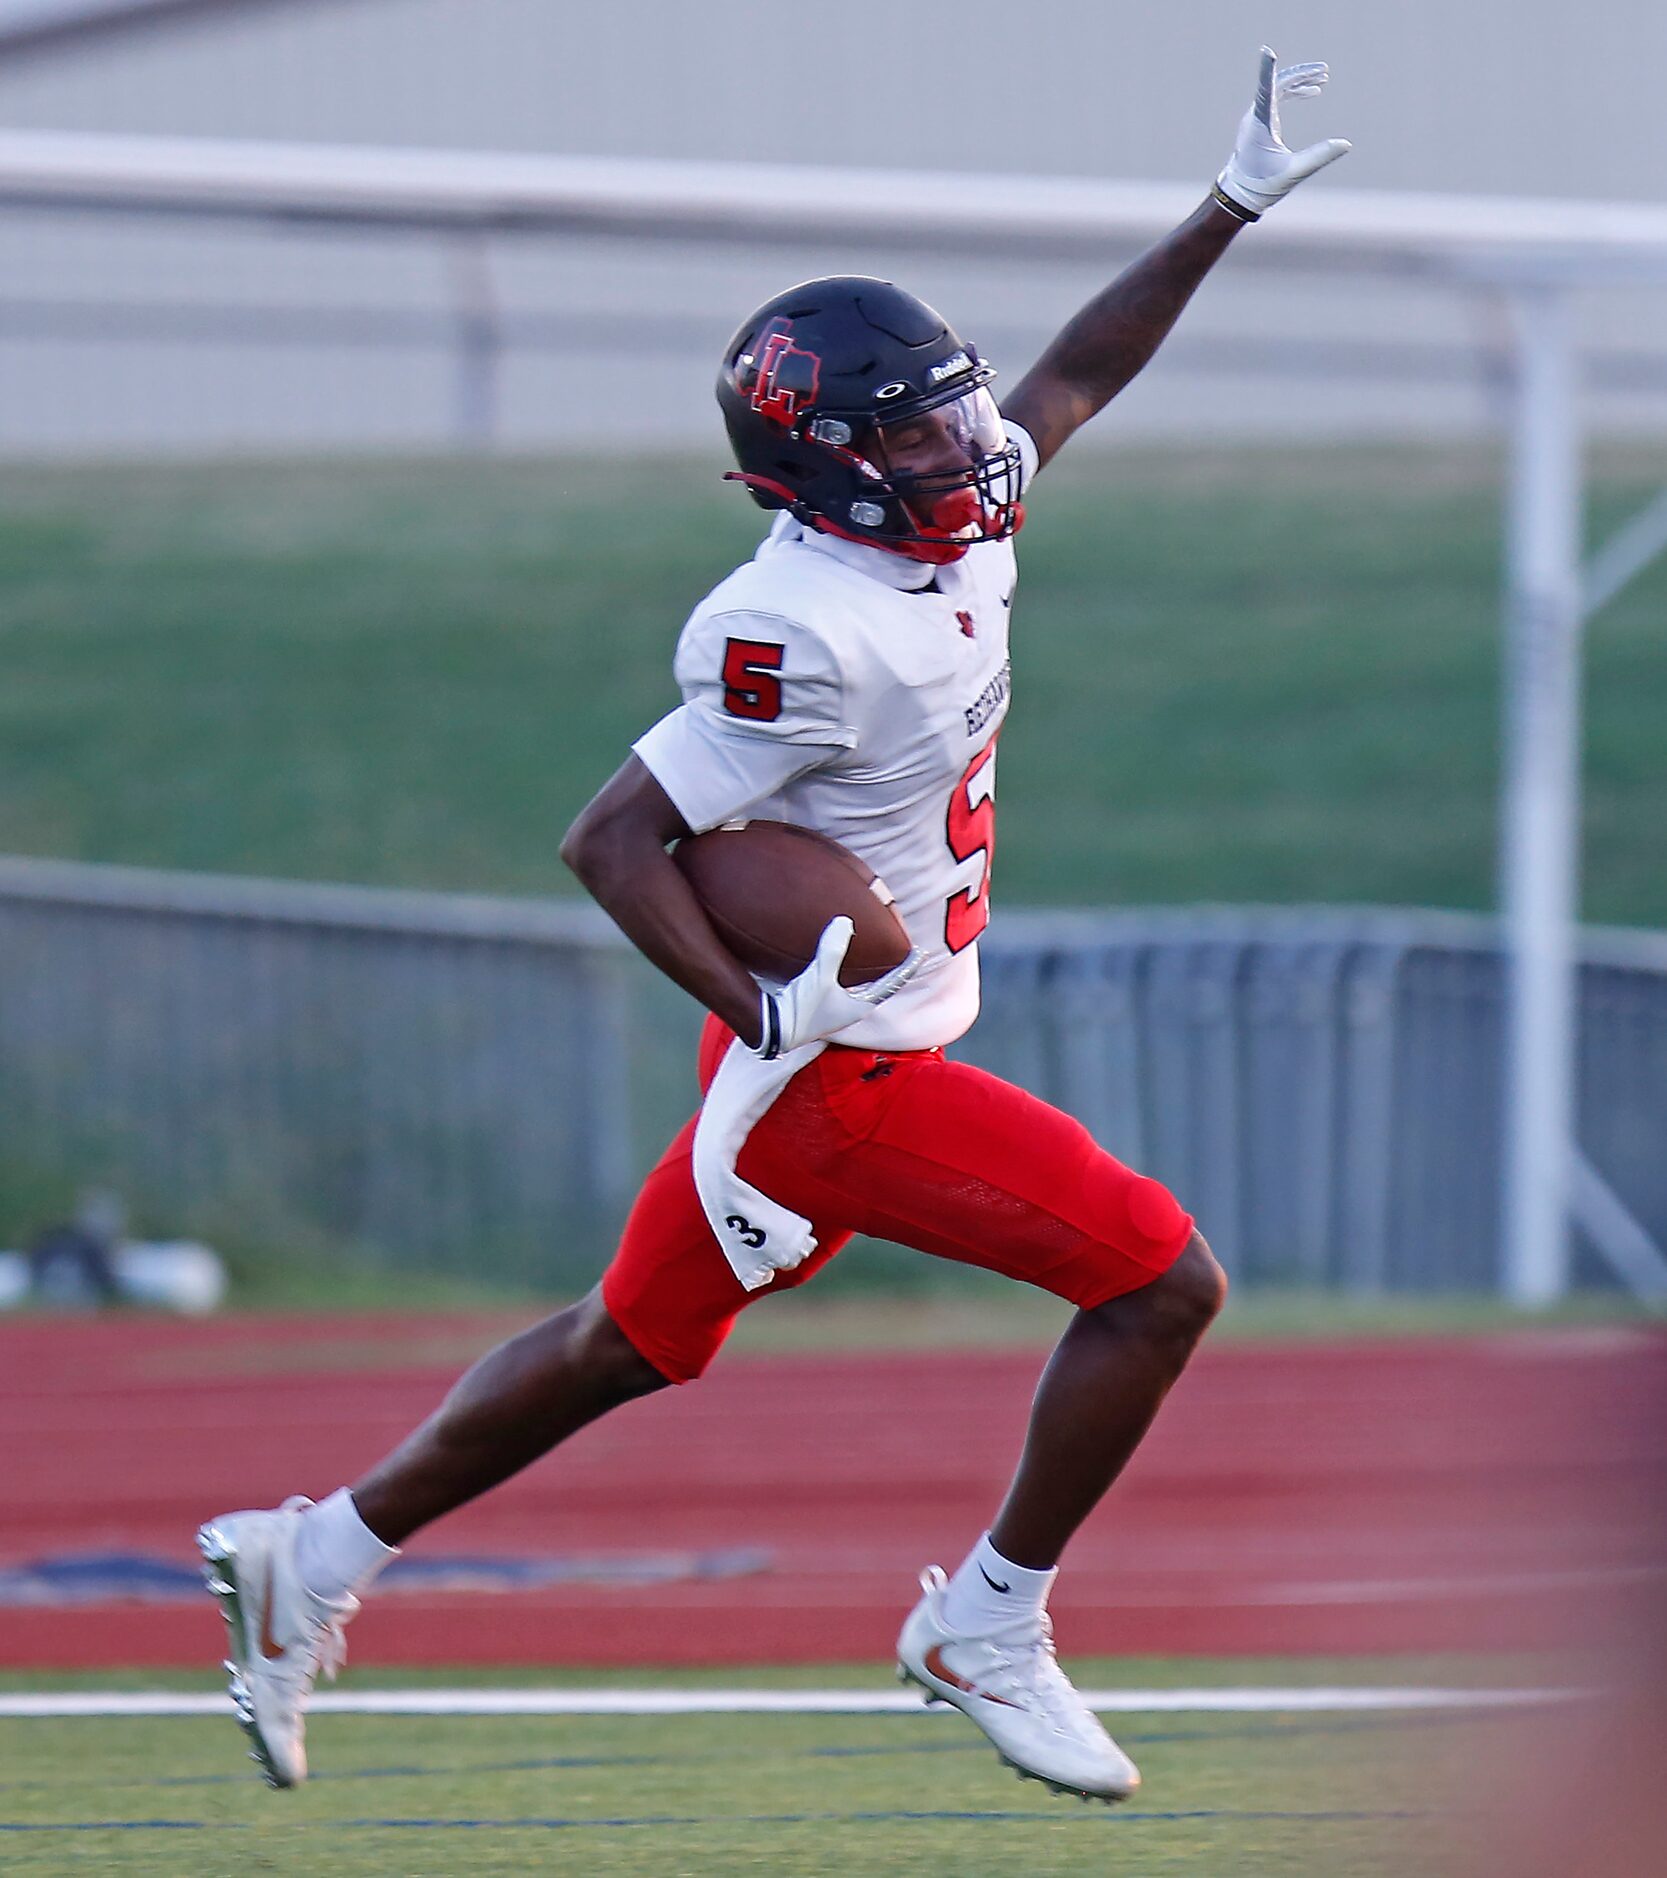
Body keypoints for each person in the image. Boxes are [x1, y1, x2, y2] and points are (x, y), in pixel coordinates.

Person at [198, 49, 1348, 1800]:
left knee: (628, 1340)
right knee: (1158, 1283)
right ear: (817, 465)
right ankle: (990, 1617)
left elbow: (1080, 374)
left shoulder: (957, 523)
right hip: (843, 1069)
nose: (957, 446)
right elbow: (615, 840)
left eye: (945, 415)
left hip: (845, 1033)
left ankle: (318, 1555)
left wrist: (1229, 207)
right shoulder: (791, 624)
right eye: (907, 432)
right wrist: (758, 1009)